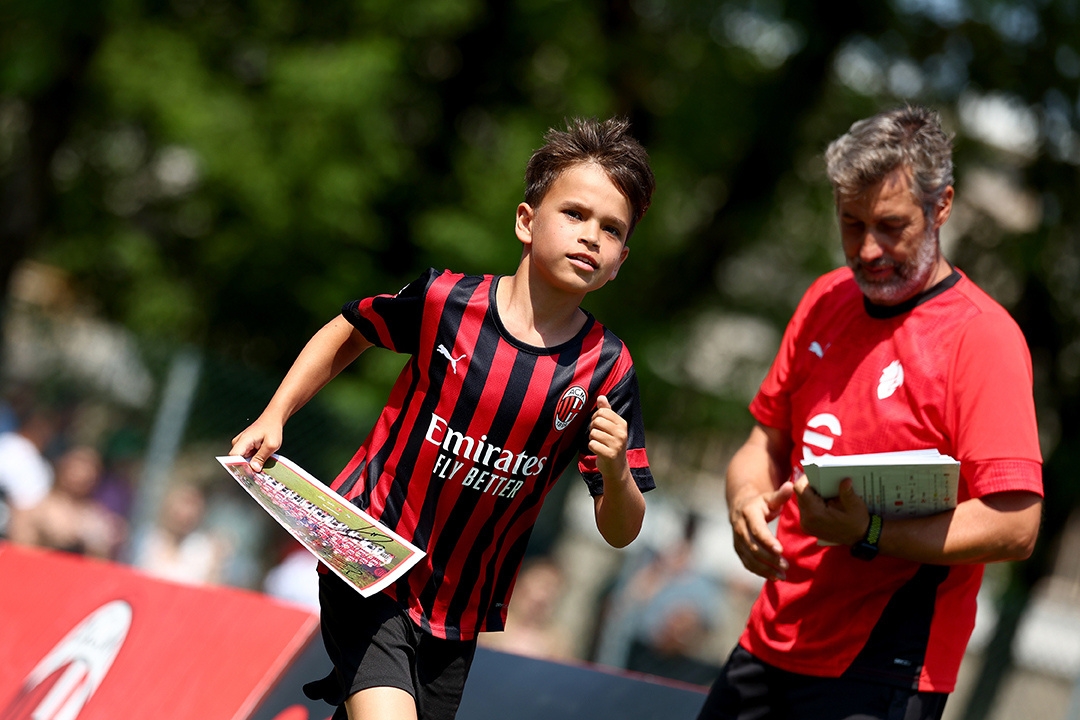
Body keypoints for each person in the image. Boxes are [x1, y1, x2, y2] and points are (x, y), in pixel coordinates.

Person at [229, 116, 657, 720]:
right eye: (575, 214)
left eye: (611, 229)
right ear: (526, 222)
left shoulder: (607, 369)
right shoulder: (446, 301)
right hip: (367, 557)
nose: (591, 236)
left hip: (457, 611)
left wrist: (615, 474)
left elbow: (622, 528)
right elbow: (349, 329)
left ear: (620, 260)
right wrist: (275, 415)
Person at [697, 106, 1044, 720]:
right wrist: (745, 500)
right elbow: (763, 441)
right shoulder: (825, 297)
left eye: (890, 225)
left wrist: (871, 531)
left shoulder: (982, 337)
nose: (867, 249)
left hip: (883, 668)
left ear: (942, 207)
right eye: (850, 223)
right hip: (769, 640)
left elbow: (1016, 525)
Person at [8, 445, 127, 559]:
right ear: (63, 468)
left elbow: (99, 564)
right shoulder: (36, 505)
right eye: (77, 467)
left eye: (89, 470)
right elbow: (20, 548)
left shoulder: (95, 515)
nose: (82, 475)